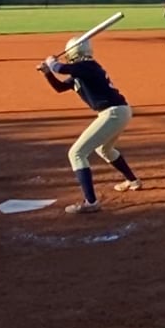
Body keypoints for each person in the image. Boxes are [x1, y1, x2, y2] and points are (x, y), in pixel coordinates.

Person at [38, 35, 142, 214]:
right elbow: (60, 87)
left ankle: (91, 202)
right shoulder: (81, 71)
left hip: (113, 113)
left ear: (72, 52)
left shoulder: (87, 66)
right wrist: (47, 72)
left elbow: (60, 68)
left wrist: (51, 62)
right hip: (118, 112)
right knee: (105, 149)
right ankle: (133, 181)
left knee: (76, 153)